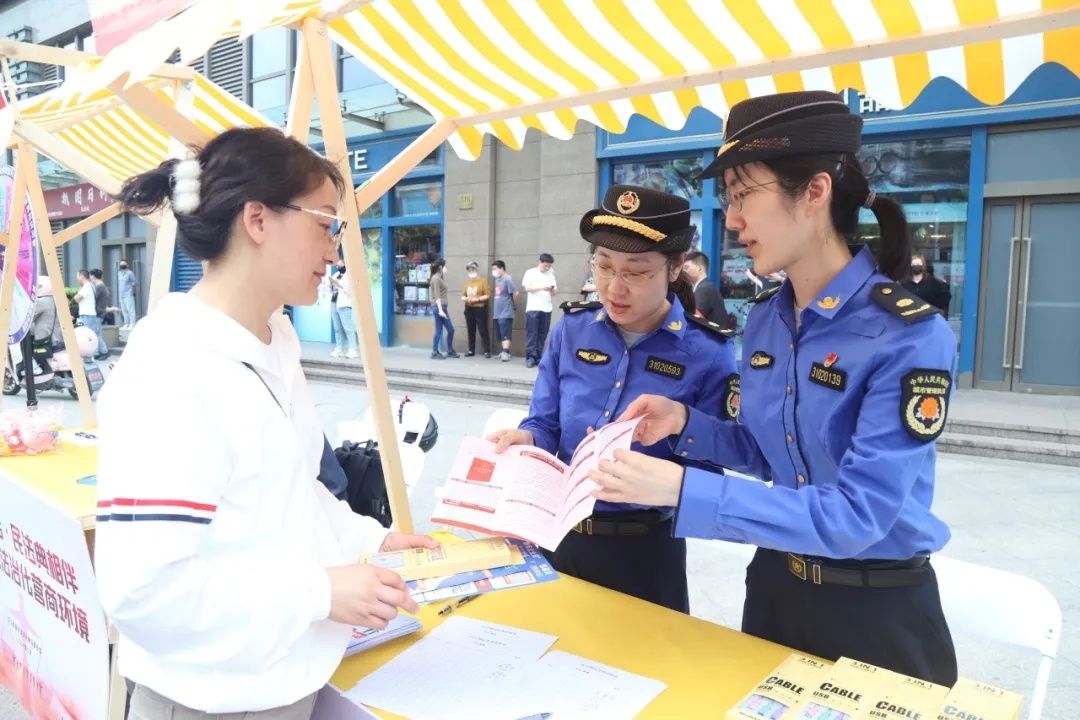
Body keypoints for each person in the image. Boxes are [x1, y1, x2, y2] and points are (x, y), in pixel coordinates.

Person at [588, 92, 958, 686]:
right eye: (729, 199)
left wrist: (685, 489)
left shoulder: (907, 335)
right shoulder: (766, 318)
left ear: (814, 192)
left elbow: (858, 514)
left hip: (878, 611)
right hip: (774, 590)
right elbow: (769, 453)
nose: (732, 219)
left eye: (742, 195)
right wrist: (686, 424)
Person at [95, 127, 437, 720]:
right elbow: (143, 591)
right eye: (326, 224)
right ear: (257, 219)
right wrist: (321, 593)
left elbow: (291, 484)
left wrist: (368, 540)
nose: (335, 252)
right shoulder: (175, 369)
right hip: (208, 703)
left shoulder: (273, 340)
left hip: (283, 685)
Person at [487, 185, 738, 613]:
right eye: (603, 266)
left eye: (635, 273)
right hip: (559, 538)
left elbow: (712, 466)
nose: (614, 287)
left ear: (675, 266)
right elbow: (544, 424)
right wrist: (526, 440)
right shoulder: (572, 329)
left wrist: (654, 477)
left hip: (645, 553)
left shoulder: (708, 352)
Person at [521, 253, 557, 368]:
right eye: (545, 265)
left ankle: (538, 356)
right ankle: (530, 357)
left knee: (542, 333)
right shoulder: (530, 272)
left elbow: (555, 290)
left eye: (549, 266)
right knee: (532, 333)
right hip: (533, 307)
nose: (547, 268)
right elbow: (527, 288)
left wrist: (552, 290)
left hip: (546, 307)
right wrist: (542, 287)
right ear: (540, 262)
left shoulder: (550, 274)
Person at [30, 275, 64, 376]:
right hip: (57, 337)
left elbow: (28, 317)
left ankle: (34, 368)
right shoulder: (56, 300)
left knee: (23, 346)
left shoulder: (42, 301)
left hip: (44, 338)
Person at [682, 251, 727, 326]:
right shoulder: (705, 286)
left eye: (686, 267)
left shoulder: (704, 289)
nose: (684, 271)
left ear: (700, 268)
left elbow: (694, 318)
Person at [429, 257, 458, 359]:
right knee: (439, 329)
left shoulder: (439, 278)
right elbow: (437, 295)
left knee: (450, 329)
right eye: (445, 266)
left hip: (442, 307)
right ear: (441, 267)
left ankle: (449, 350)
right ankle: (435, 352)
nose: (446, 269)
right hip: (439, 307)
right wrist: (440, 310)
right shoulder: (436, 279)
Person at [461, 261, 492, 357]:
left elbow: (488, 295)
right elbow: (463, 295)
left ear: (477, 270)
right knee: (470, 329)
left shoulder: (483, 281)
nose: (471, 272)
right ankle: (471, 350)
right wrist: (466, 299)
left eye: (472, 270)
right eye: (469, 270)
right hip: (469, 307)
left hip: (480, 308)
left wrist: (477, 299)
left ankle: (486, 350)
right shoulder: (467, 282)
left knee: (482, 329)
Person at [328, 263, 358, 359]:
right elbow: (331, 289)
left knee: (348, 328)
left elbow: (350, 291)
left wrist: (338, 284)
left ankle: (353, 349)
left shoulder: (350, 275)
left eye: (340, 264)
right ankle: (339, 349)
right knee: (337, 328)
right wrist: (330, 284)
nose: (338, 266)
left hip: (344, 304)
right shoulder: (336, 274)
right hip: (334, 303)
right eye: (337, 265)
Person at [491, 260, 518, 362]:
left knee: (505, 331)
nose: (493, 271)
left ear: (501, 268)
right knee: (500, 333)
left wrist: (514, 304)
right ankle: (504, 351)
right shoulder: (497, 280)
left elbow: (515, 293)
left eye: (495, 269)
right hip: (497, 312)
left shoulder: (508, 279)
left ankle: (505, 352)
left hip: (506, 311)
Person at [118, 259, 138, 329]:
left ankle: (132, 323)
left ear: (127, 265)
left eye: (124, 264)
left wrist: (130, 288)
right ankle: (126, 323)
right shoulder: (119, 273)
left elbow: (134, 282)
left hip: (128, 294)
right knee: (124, 310)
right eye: (121, 264)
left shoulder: (130, 273)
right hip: (121, 294)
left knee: (130, 309)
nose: (122, 265)